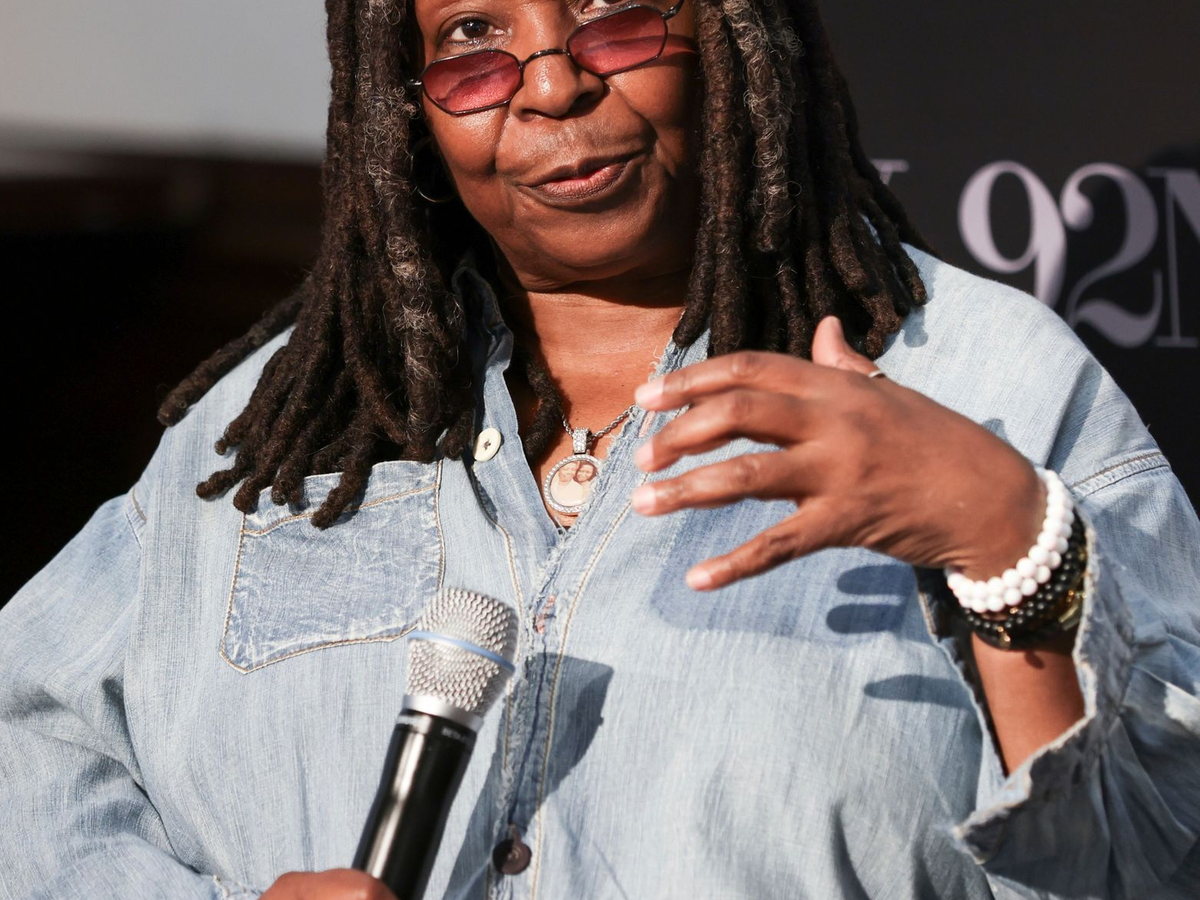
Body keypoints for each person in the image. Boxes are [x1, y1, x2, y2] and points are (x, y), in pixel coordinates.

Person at [1, 0, 1197, 897]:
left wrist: (1008, 545)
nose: (552, 83)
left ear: (733, 30)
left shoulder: (986, 382)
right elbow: (27, 748)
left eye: (613, 8)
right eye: (473, 36)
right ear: (402, 102)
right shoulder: (281, 425)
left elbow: (1157, 858)